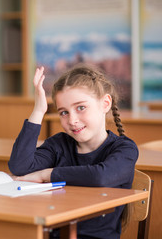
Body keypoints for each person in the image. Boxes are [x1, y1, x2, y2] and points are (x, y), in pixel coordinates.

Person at [8, 64, 138, 239]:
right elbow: (19, 167)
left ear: (105, 103)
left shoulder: (124, 149)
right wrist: (38, 111)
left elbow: (100, 177)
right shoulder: (59, 144)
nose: (72, 120)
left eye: (81, 108)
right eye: (63, 112)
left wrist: (47, 174)